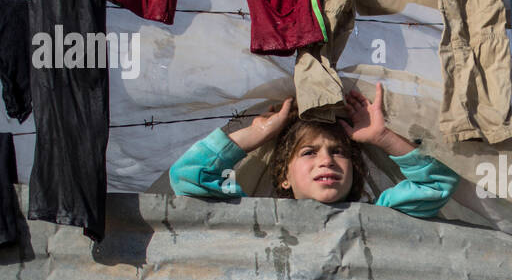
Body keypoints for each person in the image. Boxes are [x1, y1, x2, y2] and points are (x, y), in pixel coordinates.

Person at [169, 83, 458, 218]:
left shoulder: (380, 215)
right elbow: (188, 175)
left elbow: (436, 184)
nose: (327, 161)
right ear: (284, 175)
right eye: (309, 152)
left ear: (355, 171)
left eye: (339, 152)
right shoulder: (256, 217)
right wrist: (258, 134)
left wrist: (382, 137)